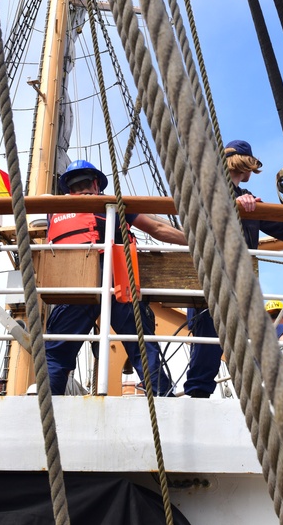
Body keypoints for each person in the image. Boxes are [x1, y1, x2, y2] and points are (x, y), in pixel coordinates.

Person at [44, 160, 187, 396]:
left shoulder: (55, 211)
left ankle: (47, 406)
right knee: (142, 347)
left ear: (68, 188)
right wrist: (195, 242)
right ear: (96, 183)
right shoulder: (112, 204)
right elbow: (158, 229)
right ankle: (164, 399)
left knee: (57, 354)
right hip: (117, 281)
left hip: (75, 282)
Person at [182, 140, 283, 398]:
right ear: (245, 163)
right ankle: (197, 403)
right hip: (211, 287)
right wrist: (236, 204)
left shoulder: (249, 202)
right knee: (206, 356)